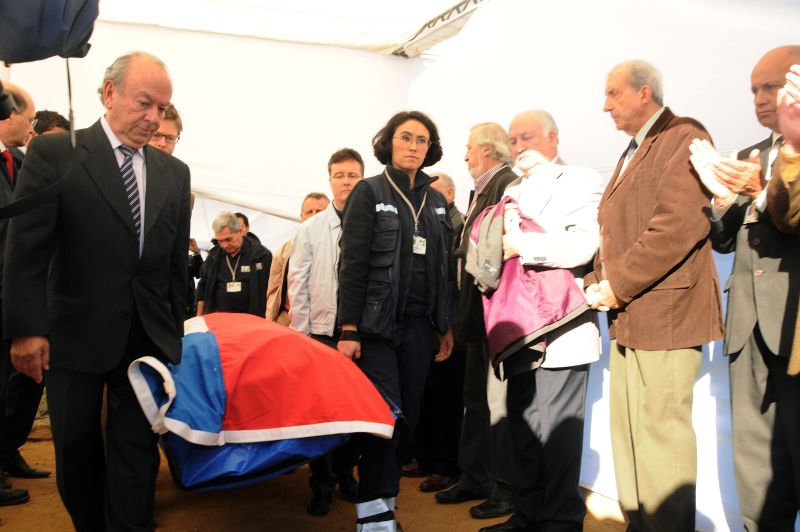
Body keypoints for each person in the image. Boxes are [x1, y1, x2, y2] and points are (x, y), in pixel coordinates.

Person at [3, 52, 191, 530]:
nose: (153, 118)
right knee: (77, 452)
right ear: (110, 94)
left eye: (162, 109)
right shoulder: (58, 153)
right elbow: (27, 251)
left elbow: (173, 266)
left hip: (145, 339)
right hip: (75, 337)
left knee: (136, 452)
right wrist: (26, 331)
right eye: (144, 104)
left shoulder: (174, 173)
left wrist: (177, 332)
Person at [583, 60, 723, 531]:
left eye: (614, 94)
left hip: (667, 317)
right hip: (631, 316)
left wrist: (616, 283)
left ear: (645, 93)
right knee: (629, 440)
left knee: (661, 439)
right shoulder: (633, 150)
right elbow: (613, 230)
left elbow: (677, 225)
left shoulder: (684, 136)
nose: (605, 105)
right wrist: (596, 279)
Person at [479, 110, 603, 532]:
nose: (518, 147)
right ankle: (529, 512)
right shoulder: (510, 188)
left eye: (526, 137)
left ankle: (561, 518)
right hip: (517, 327)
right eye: (512, 140)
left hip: (562, 326)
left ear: (553, 137)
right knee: (524, 426)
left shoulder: (583, 180)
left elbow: (584, 245)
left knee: (558, 433)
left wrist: (522, 245)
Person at [337, 110, 454, 531]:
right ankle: (374, 518)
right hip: (377, 331)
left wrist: (446, 325)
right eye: (406, 138)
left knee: (409, 425)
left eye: (422, 141)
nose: (413, 146)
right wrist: (348, 328)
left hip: (422, 331)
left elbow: (443, 271)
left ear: (430, 149)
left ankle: (382, 506)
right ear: (389, 142)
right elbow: (351, 264)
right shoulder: (369, 193)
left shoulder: (438, 202)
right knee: (387, 420)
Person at [705, 46, 800, 531]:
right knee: (755, 459)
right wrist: (723, 201)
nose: (761, 99)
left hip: (794, 326)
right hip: (748, 327)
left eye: (771, 86)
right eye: (754, 90)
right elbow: (723, 241)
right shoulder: (745, 156)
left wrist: (762, 192)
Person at [435, 122, 517, 521]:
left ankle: (503, 489)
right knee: (475, 401)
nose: (465, 155)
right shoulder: (484, 188)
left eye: (469, 148)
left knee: (497, 405)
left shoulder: (507, 184)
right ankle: (473, 476)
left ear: (485, 149)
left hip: (493, 316)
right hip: (473, 316)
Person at [288, 148, 364, 516]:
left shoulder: (375, 223)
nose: (346, 181)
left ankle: (347, 472)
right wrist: (301, 336)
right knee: (319, 416)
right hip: (320, 334)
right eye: (339, 175)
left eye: (352, 175)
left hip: (363, 335)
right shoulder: (311, 229)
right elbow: (297, 282)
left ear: (362, 178)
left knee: (356, 413)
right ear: (329, 179)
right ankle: (321, 483)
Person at [403, 171, 465, 494]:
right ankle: (426, 458)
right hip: (427, 322)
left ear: (450, 193)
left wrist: (448, 325)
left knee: (446, 401)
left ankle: (446, 466)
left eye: (434, 191)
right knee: (426, 396)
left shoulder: (458, 224)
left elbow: (452, 281)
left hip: (449, 324)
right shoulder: (426, 221)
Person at [0, 81, 40, 508]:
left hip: (18, 295)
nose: (28, 126)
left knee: (21, 385)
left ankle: (9, 451)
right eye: (27, 118)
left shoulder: (19, 164)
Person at [266, 192, 329, 324]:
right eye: (309, 212)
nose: (313, 216)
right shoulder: (285, 250)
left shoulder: (340, 248)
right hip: (288, 318)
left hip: (323, 320)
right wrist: (271, 319)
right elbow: (273, 290)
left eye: (319, 212)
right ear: (301, 217)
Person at [196, 211, 271, 317]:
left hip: (252, 320)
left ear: (240, 231)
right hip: (219, 320)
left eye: (228, 239)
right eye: (220, 241)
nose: (224, 245)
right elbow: (202, 288)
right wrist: (199, 317)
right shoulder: (213, 257)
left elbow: (272, 292)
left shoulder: (261, 255)